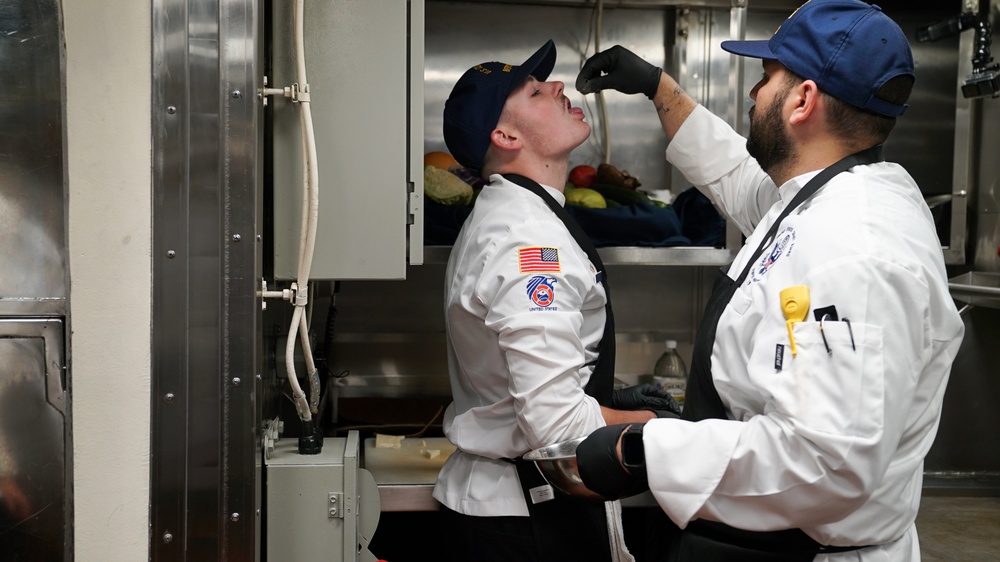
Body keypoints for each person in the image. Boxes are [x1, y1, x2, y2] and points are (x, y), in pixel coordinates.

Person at [572, 1, 966, 561]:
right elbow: (736, 173)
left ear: (802, 100)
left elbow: (825, 462)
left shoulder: (854, 247)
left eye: (766, 78)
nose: (753, 95)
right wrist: (659, 88)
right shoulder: (824, 193)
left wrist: (646, 449)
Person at [431, 40, 680, 562]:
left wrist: (611, 405)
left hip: (524, 504)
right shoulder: (528, 241)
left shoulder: (519, 214)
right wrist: (666, 430)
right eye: (536, 91)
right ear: (506, 135)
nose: (560, 86)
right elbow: (556, 425)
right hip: (529, 517)